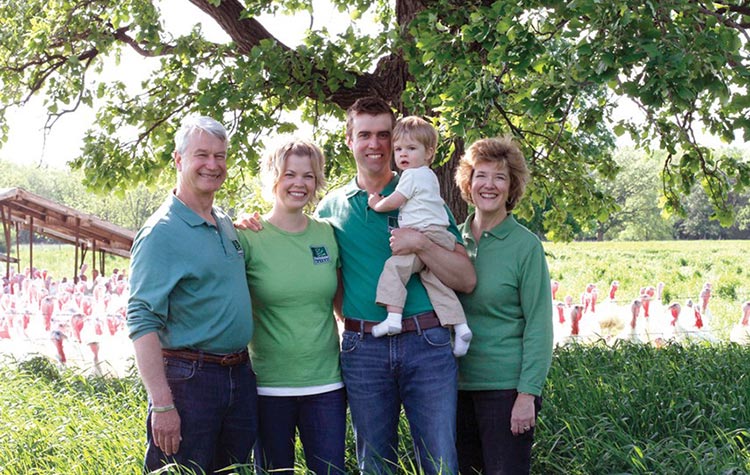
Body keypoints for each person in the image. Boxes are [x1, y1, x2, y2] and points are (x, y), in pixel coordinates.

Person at [316, 97, 476, 474]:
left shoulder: (422, 192)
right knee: (374, 463)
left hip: (428, 343)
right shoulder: (331, 207)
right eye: (365, 134)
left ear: (396, 140)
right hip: (364, 347)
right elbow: (328, 277)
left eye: (384, 135)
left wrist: (420, 243)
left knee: (439, 462)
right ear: (349, 139)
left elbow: (465, 278)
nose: (375, 144)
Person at [127, 116, 257, 474]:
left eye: (221, 156)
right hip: (190, 380)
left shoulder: (225, 222)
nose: (213, 165)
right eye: (202, 155)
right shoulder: (161, 232)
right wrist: (163, 404)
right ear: (179, 159)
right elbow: (141, 319)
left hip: (238, 374)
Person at [236, 140, 346, 474]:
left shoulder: (328, 234)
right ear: (272, 177)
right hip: (269, 385)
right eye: (289, 174)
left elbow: (341, 304)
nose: (299, 183)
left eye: (308, 176)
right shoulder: (247, 236)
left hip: (326, 385)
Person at [453, 136, 554, 474]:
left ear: (511, 187)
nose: (489, 185)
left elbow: (539, 325)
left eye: (500, 177)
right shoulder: (450, 240)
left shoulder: (526, 247)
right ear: (468, 182)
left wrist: (527, 394)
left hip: (506, 391)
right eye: (481, 175)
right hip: (451, 388)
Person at [367, 115, 472, 356]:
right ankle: (461, 325)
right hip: (440, 234)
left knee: (395, 268)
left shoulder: (411, 175)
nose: (403, 154)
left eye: (411, 148)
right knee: (435, 281)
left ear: (429, 152)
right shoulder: (430, 176)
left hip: (424, 234)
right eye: (398, 149)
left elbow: (396, 201)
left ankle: (393, 317)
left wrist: (376, 204)